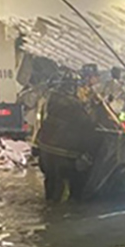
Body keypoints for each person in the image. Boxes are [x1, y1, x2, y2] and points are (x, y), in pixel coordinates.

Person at [35, 73, 99, 202]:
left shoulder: (50, 101)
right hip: (64, 155)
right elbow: (89, 127)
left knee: (51, 182)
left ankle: (50, 208)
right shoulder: (74, 105)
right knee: (75, 185)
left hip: (45, 152)